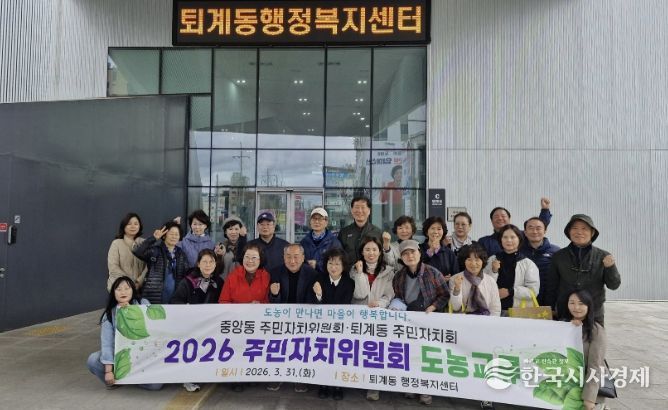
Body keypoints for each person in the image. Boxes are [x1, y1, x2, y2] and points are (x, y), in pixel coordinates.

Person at [389, 239, 450, 406]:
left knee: (425, 355)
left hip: (427, 320)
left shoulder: (432, 272)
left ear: (419, 253)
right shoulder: (399, 276)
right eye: (405, 254)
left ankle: (425, 389)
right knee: (409, 354)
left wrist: (433, 306)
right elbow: (398, 296)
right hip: (408, 321)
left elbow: (445, 294)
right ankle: (410, 384)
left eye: (413, 252)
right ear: (401, 258)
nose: (410, 256)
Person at [86, 276, 162, 391]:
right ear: (113, 293)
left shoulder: (143, 303)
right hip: (120, 355)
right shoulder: (109, 314)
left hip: (142, 354)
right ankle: (116, 380)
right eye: (119, 289)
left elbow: (154, 328)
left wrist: (131, 311)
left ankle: (129, 378)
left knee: (155, 386)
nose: (123, 292)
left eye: (127, 288)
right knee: (93, 360)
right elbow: (107, 343)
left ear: (133, 290)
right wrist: (108, 371)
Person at [545, 214, 621, 325]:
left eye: (584, 228)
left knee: (594, 337)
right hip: (566, 312)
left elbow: (614, 285)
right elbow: (551, 286)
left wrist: (611, 268)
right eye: (575, 228)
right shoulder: (559, 256)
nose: (579, 232)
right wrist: (550, 307)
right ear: (569, 232)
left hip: (594, 313)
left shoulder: (603, 256)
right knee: (566, 337)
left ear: (592, 232)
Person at [218, 243, 270, 393]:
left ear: (260, 260)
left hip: (258, 323)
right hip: (236, 323)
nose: (250, 261)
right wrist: (241, 309)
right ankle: (236, 377)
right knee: (237, 349)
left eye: (254, 258)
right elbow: (223, 301)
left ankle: (251, 374)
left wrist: (260, 304)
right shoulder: (233, 276)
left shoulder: (266, 276)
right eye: (247, 257)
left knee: (254, 348)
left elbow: (269, 301)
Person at [267, 244, 319, 393]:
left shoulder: (312, 274)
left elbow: (312, 302)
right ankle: (278, 375)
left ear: (303, 258)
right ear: (283, 258)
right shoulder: (275, 272)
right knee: (278, 345)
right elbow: (272, 303)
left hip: (303, 319)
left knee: (301, 346)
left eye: (296, 257)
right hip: (281, 318)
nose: (292, 261)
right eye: (288, 257)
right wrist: (275, 294)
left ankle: (299, 377)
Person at [349, 236, 395, 403]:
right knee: (360, 351)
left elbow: (389, 295)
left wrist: (380, 304)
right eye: (367, 249)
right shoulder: (354, 270)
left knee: (375, 352)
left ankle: (373, 385)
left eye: (374, 249)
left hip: (379, 316)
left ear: (380, 252)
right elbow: (360, 294)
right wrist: (360, 273)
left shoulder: (388, 271)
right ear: (362, 252)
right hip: (360, 317)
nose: (371, 253)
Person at [169, 249, 223, 392]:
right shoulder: (187, 281)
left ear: (215, 264)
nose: (208, 265)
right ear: (198, 264)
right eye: (204, 261)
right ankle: (188, 378)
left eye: (211, 261)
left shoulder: (219, 282)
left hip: (211, 326)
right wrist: (187, 309)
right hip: (190, 326)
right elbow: (175, 301)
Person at [311, 248, 354, 401]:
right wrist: (318, 295)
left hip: (341, 327)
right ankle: (323, 384)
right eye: (330, 263)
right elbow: (313, 304)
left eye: (337, 264)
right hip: (322, 327)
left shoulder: (349, 283)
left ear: (343, 266)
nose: (333, 267)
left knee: (338, 356)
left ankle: (338, 386)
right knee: (323, 355)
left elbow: (343, 304)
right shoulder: (319, 279)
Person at [565, 290, 607, 410]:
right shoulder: (564, 325)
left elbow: (595, 366)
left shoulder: (596, 330)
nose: (576, 307)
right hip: (567, 385)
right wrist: (570, 328)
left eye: (581, 303)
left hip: (587, 389)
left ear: (589, 306)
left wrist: (589, 398)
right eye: (572, 303)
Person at [483, 224, 540, 314]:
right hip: (493, 311)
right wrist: (493, 271)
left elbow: (533, 291)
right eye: (505, 237)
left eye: (512, 237)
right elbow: (483, 286)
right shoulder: (492, 260)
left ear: (519, 239)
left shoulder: (527, 263)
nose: (509, 240)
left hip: (519, 313)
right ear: (500, 239)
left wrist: (510, 291)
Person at [133, 220, 188, 304]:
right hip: (154, 297)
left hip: (174, 299)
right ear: (164, 235)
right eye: (171, 234)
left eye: (176, 234)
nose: (174, 236)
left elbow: (185, 275)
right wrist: (153, 238)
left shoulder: (181, 254)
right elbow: (138, 252)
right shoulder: (155, 250)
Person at [478, 197, 552, 256]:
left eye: (503, 216)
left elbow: (538, 226)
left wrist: (545, 210)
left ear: (509, 219)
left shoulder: (521, 235)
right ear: (491, 221)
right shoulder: (484, 242)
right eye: (496, 216)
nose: (500, 218)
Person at [449, 243, 501, 316]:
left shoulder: (490, 280)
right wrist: (457, 288)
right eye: (469, 260)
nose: (473, 264)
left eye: (477, 260)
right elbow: (455, 307)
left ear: (482, 261)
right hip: (463, 320)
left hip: (486, 320)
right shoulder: (455, 279)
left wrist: (490, 322)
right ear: (464, 261)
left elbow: (495, 308)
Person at [521, 217, 560, 305]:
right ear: (525, 232)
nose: (535, 232)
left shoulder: (556, 251)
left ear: (545, 231)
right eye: (531, 228)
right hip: (524, 299)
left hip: (550, 299)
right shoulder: (518, 251)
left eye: (538, 228)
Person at [338, 196, 382, 268]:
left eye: (363, 207)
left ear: (369, 211)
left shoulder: (377, 232)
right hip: (349, 272)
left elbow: (381, 255)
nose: (360, 211)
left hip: (371, 273)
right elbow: (339, 255)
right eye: (357, 207)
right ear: (352, 210)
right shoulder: (344, 232)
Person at [107, 213, 146, 291]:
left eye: (136, 224)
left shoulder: (145, 243)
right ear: (123, 226)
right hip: (120, 288)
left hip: (141, 288)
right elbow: (113, 267)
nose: (133, 226)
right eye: (129, 224)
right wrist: (129, 283)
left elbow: (149, 266)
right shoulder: (116, 243)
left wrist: (139, 282)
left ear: (140, 226)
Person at [300, 207, 342, 273]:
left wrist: (317, 265)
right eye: (314, 219)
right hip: (308, 277)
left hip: (326, 277)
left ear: (326, 222)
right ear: (310, 222)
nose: (316, 221)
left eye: (320, 219)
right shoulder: (304, 242)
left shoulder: (334, 242)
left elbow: (338, 263)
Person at [419, 216, 459, 282]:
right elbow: (416, 268)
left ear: (443, 232)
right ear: (426, 232)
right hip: (425, 287)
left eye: (439, 229)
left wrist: (450, 279)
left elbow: (456, 274)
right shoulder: (419, 249)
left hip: (445, 287)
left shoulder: (449, 252)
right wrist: (431, 251)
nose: (436, 232)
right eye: (432, 228)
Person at [219, 216, 247, 280]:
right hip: (224, 283)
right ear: (225, 231)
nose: (233, 232)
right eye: (230, 229)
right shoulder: (220, 247)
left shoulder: (247, 247)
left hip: (242, 283)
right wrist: (218, 256)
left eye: (236, 229)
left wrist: (243, 239)